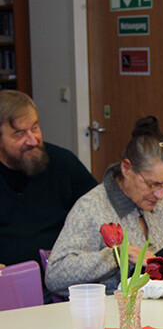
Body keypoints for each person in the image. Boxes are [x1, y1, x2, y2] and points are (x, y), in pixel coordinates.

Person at [46, 117, 163, 297]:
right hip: (115, 313)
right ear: (126, 168)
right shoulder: (91, 208)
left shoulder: (160, 206)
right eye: (153, 184)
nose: (160, 195)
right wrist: (117, 255)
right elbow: (55, 275)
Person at [0, 90, 97, 278]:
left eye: (35, 127)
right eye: (19, 134)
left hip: (62, 282)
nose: (33, 140)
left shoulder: (63, 163)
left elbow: (99, 212)